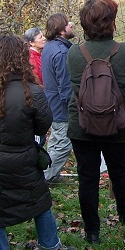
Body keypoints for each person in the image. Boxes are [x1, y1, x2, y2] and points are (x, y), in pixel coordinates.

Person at [0, 34, 74, 250]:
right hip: (22, 156)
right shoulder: (32, 92)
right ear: (21, 58)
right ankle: (49, 244)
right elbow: (43, 125)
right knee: (39, 201)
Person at [67, 0, 125, 244]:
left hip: (82, 125)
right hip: (117, 124)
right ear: (111, 22)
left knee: (87, 177)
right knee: (119, 172)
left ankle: (92, 232)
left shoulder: (74, 54)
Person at [41, 13, 76, 184]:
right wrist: (74, 108)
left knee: (56, 141)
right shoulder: (61, 52)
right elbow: (65, 87)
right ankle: (43, 178)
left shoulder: (49, 47)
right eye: (68, 23)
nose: (72, 25)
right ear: (61, 30)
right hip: (61, 108)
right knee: (63, 145)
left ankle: (50, 174)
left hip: (52, 104)